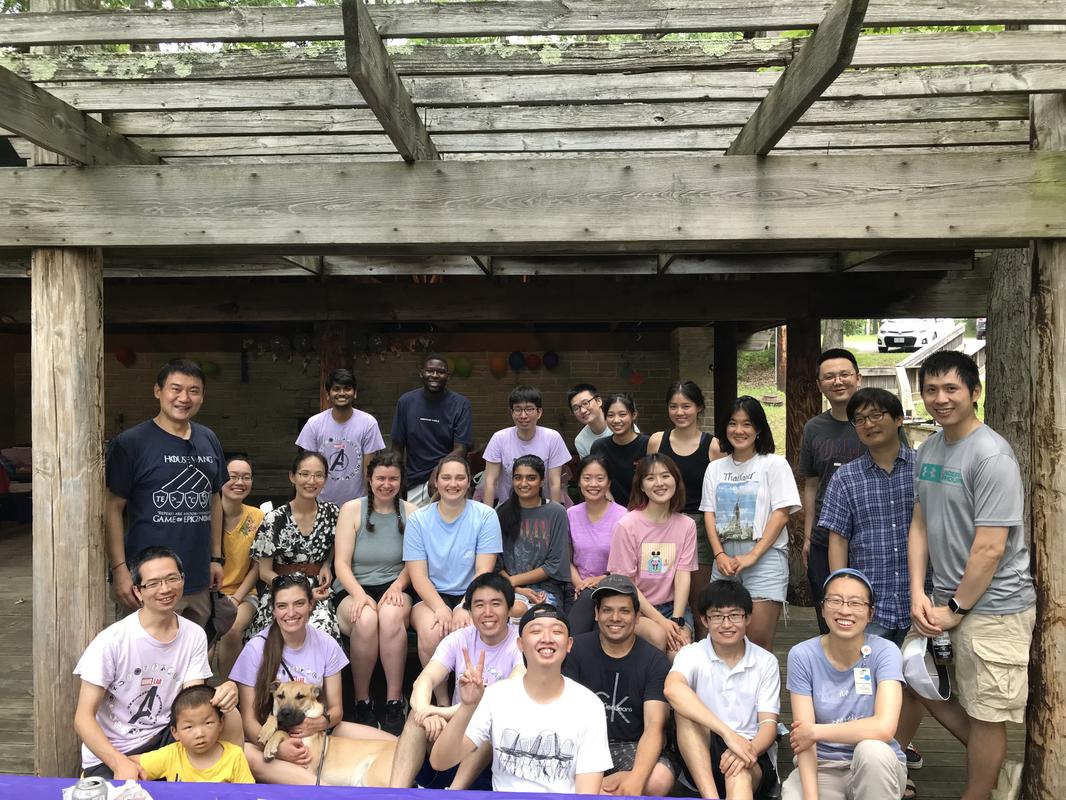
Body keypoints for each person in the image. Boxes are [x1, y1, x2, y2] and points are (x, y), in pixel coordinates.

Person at [908, 350, 1036, 800]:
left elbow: (990, 547)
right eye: (931, 390)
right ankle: (996, 768)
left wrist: (956, 609)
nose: (940, 399)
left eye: (951, 389)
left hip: (994, 606)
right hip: (942, 599)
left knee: (986, 713)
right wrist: (918, 592)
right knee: (913, 678)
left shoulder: (992, 455)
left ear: (974, 392)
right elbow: (920, 522)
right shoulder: (929, 448)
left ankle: (980, 791)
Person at [820, 387, 925, 786]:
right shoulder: (846, 477)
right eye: (860, 419)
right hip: (871, 599)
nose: (868, 424)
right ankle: (866, 759)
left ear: (898, 419)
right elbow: (838, 540)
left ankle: (895, 760)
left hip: (919, 595)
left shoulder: (923, 468)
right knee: (865, 684)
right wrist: (841, 597)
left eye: (877, 415)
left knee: (913, 684)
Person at [73, 546, 241, 780]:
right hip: (117, 748)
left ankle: (228, 783)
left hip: (167, 738)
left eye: (172, 579)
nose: (165, 589)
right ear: (138, 591)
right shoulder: (111, 641)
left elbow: (192, 701)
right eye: (153, 583)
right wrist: (119, 763)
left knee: (230, 714)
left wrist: (225, 690)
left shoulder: (194, 635)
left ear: (183, 580)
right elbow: (83, 718)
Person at [430, 603, 613, 794]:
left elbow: (587, 792)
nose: (547, 639)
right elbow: (440, 761)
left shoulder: (589, 705)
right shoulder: (496, 696)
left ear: (569, 644)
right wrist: (467, 706)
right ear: (520, 644)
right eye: (536, 631)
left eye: (557, 631)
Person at [232, 573, 394, 784]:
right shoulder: (255, 648)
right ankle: (324, 790)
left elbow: (336, 710)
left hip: (318, 729)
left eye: (299, 603)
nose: (291, 613)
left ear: (311, 605)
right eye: (282, 606)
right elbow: (249, 721)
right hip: (269, 733)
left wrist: (316, 724)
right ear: (273, 610)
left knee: (397, 746)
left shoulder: (326, 643)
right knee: (245, 753)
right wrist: (279, 747)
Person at [106, 358, 226, 627]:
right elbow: (112, 508)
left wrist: (216, 557)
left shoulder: (208, 438)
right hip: (148, 578)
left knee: (196, 645)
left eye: (194, 391)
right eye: (176, 389)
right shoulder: (131, 443)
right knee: (146, 648)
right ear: (158, 391)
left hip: (197, 575)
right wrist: (119, 569)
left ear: (202, 396)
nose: (184, 398)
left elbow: (214, 499)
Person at [389, 572, 524, 790]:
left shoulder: (520, 643)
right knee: (416, 718)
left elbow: (504, 697)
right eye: (479, 605)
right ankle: (395, 794)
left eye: (496, 604)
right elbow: (424, 680)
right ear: (469, 611)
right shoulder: (459, 639)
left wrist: (443, 712)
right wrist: (425, 712)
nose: (487, 612)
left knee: (488, 721)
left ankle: (454, 792)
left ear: (509, 609)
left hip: (497, 747)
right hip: (455, 735)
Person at [782, 569, 908, 800]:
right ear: (822, 608)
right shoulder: (802, 655)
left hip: (877, 765)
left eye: (856, 603)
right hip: (823, 765)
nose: (844, 610)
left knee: (871, 749)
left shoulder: (885, 652)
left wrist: (815, 732)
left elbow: (884, 728)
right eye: (835, 601)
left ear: (871, 613)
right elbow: (804, 741)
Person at [700, 396, 800, 652]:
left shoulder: (774, 464)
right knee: (721, 635)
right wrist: (719, 555)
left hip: (764, 557)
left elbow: (781, 514)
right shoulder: (715, 468)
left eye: (747, 424)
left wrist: (753, 555)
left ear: (758, 429)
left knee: (758, 639)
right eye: (732, 423)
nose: (739, 430)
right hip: (725, 559)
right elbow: (709, 514)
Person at [665, 580, 780, 800]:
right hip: (702, 751)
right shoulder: (692, 653)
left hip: (752, 752)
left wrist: (747, 749)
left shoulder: (766, 662)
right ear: (704, 620)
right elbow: (672, 689)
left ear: (747, 618)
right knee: (684, 711)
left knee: (738, 773)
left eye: (734, 615)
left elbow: (768, 725)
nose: (726, 624)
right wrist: (729, 735)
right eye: (717, 616)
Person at [563, 575, 677, 796]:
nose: (615, 618)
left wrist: (636, 779)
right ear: (596, 614)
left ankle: (594, 791)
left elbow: (654, 725)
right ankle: (599, 790)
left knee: (659, 779)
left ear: (637, 617)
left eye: (624, 611)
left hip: (629, 745)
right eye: (607, 610)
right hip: (581, 743)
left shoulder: (655, 661)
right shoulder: (575, 650)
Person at [404, 455, 502, 705]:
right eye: (446, 478)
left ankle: (467, 702)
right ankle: (442, 700)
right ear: (436, 482)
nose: (453, 484)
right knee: (432, 631)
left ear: (469, 482)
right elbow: (418, 575)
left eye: (460, 478)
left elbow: (483, 570)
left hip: (473, 592)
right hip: (430, 595)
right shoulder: (418, 520)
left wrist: (464, 606)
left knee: (469, 629)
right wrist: (440, 608)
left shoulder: (486, 515)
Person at [333, 452, 417, 735]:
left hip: (396, 584)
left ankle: (394, 701)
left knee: (390, 616)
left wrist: (397, 586)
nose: (386, 484)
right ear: (369, 479)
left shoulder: (412, 512)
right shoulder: (351, 510)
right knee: (366, 619)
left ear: (401, 481)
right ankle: (362, 700)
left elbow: (415, 562)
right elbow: (341, 563)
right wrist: (359, 594)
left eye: (393, 479)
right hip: (354, 586)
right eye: (380, 478)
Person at [648, 380, 724, 638]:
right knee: (661, 590)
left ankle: (701, 650)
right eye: (673, 406)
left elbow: (720, 495)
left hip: (699, 527)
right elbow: (647, 481)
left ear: (699, 407)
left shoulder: (713, 446)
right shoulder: (657, 441)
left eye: (686, 406)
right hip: (661, 523)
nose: (679, 412)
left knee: (699, 599)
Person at [798, 349, 864, 635]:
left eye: (844, 374)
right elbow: (812, 484)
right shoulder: (814, 428)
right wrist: (808, 536)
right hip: (824, 536)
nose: (837, 381)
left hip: (868, 536)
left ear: (858, 378)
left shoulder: (876, 423)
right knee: (829, 609)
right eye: (829, 377)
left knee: (865, 610)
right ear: (819, 384)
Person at [607, 453, 697, 656]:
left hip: (675, 608)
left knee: (680, 654)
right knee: (658, 636)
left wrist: (676, 620)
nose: (659, 483)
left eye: (665, 476)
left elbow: (683, 574)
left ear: (675, 480)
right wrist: (661, 621)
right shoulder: (626, 525)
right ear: (641, 486)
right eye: (650, 478)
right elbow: (626, 583)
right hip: (635, 607)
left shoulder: (687, 525)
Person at [247, 450, 339, 642]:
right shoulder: (274, 519)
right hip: (281, 590)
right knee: (272, 634)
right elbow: (264, 572)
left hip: (318, 593)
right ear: (292, 477)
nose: (311, 481)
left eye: (318, 475)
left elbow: (335, 545)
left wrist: (327, 563)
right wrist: (298, 591)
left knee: (321, 630)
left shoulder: (332, 513)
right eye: (304, 474)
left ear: (325, 479)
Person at [392, 354, 474, 506]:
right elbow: (397, 448)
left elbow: (461, 449)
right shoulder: (406, 402)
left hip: (448, 481)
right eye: (430, 371)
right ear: (421, 373)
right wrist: (398, 478)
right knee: (409, 520)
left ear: (448, 376)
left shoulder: (461, 404)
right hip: (413, 482)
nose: (435, 375)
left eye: (440, 372)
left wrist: (438, 470)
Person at [296, 367, 385, 506]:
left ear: (355, 393)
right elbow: (307, 468)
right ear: (328, 394)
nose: (342, 393)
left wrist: (370, 504)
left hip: (357, 504)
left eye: (347, 388)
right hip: (321, 503)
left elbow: (369, 469)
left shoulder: (368, 423)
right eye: (336, 389)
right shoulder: (314, 424)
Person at [495, 455, 571, 615]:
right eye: (518, 478)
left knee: (542, 618)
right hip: (508, 587)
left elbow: (554, 564)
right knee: (512, 611)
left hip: (546, 588)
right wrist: (515, 587)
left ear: (542, 481)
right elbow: (496, 562)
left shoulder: (556, 512)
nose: (523, 483)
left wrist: (512, 582)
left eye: (531, 478)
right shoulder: (501, 512)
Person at [133, 685, 254, 784]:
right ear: (175, 732)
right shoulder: (171, 755)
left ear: (221, 723)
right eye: (189, 727)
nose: (199, 734)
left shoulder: (235, 756)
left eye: (208, 723)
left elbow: (249, 793)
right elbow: (130, 764)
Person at [566, 454, 628, 634]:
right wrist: (580, 584)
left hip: (612, 587)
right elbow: (566, 559)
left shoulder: (623, 516)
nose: (593, 484)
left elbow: (626, 565)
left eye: (600, 479)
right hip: (576, 589)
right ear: (578, 481)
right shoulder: (570, 514)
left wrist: (600, 580)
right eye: (587, 478)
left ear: (609, 482)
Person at [216, 456, 265, 679]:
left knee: (232, 630)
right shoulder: (206, 515)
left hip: (244, 595)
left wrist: (236, 598)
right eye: (233, 476)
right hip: (208, 595)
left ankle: (228, 688)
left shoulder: (258, 517)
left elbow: (257, 566)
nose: (239, 482)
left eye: (246, 477)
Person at [481, 385, 570, 506]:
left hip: (543, 507)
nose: (523, 415)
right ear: (512, 413)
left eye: (529, 409)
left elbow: (554, 482)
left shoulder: (552, 438)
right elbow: (490, 482)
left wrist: (554, 513)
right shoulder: (499, 438)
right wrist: (487, 514)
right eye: (518, 409)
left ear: (539, 412)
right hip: (508, 508)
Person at [590, 393, 650, 508]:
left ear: (634, 415)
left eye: (622, 414)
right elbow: (598, 482)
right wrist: (614, 510)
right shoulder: (599, 447)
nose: (616, 420)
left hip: (643, 510)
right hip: (610, 510)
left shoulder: (648, 444)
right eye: (610, 415)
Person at [568, 383, 611, 457]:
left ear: (598, 401)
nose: (582, 411)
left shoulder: (620, 425)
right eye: (576, 408)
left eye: (585, 403)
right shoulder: (581, 440)